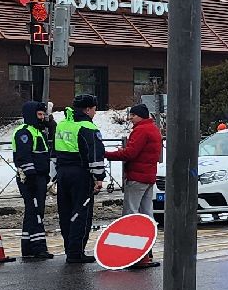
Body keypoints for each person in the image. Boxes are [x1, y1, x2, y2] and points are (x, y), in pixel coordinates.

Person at [105, 103, 163, 268]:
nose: (130, 118)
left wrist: (107, 154)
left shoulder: (141, 130)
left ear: (141, 116)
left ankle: (133, 254)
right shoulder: (153, 129)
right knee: (146, 215)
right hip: (148, 177)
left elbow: (131, 153)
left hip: (137, 177)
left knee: (130, 215)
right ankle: (147, 252)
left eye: (133, 115)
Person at [54, 95, 109, 264]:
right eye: (94, 109)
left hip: (63, 173)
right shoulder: (88, 127)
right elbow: (95, 155)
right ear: (87, 109)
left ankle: (69, 248)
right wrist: (99, 178)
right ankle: (76, 252)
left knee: (65, 212)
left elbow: (53, 151)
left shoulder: (62, 125)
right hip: (80, 174)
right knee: (81, 212)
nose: (95, 112)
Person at [12, 100, 56, 260]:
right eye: (39, 114)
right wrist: (31, 177)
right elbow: (24, 157)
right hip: (31, 179)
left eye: (43, 114)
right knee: (36, 212)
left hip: (39, 178)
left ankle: (28, 247)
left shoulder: (37, 131)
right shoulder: (24, 132)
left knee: (33, 212)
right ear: (31, 115)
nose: (42, 117)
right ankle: (38, 248)